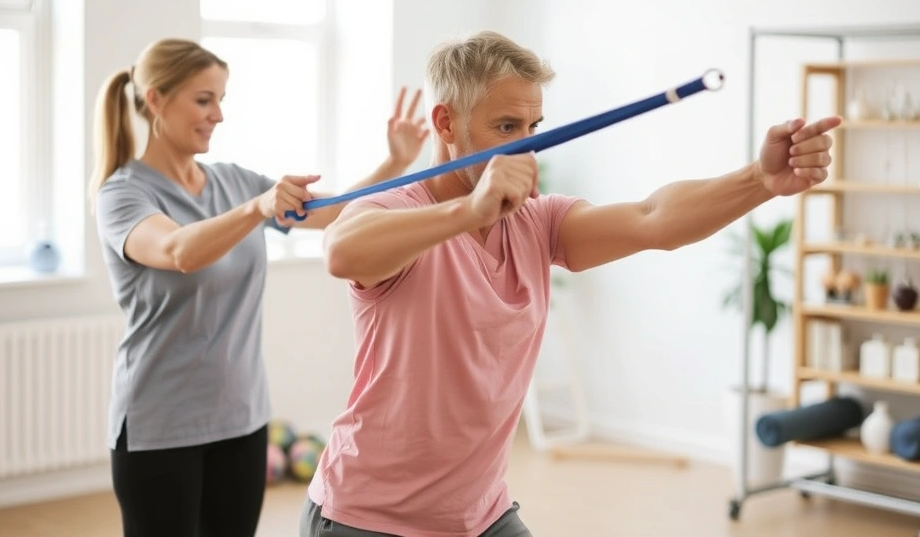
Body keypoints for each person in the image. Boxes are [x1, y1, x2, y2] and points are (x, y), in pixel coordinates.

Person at [299, 30, 841, 537]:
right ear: (445, 123)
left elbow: (654, 219)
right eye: (506, 127)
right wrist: (468, 210)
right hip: (367, 517)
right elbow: (343, 251)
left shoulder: (536, 221)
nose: (527, 147)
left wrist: (759, 181)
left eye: (533, 128)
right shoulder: (393, 210)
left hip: (479, 514)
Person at [89, 37, 430, 537]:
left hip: (242, 418)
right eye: (204, 99)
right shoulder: (122, 195)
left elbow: (336, 212)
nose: (218, 115)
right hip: (159, 427)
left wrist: (394, 165)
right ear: (156, 99)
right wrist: (257, 208)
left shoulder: (232, 181)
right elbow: (180, 252)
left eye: (221, 99)